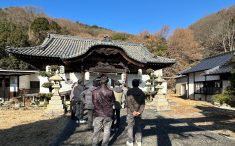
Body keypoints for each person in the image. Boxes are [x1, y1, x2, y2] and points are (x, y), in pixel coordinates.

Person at [92, 75, 115, 146]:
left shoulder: (94, 91)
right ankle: (105, 144)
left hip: (98, 113)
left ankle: (94, 144)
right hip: (108, 113)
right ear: (107, 82)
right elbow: (113, 101)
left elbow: (94, 102)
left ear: (100, 82)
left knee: (96, 131)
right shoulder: (110, 91)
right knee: (107, 130)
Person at [126, 79, 145, 146]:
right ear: (138, 84)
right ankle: (139, 141)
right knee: (138, 126)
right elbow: (143, 104)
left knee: (130, 126)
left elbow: (129, 102)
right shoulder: (142, 92)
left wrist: (133, 111)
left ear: (132, 84)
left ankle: (130, 141)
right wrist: (139, 112)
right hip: (138, 113)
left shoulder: (129, 91)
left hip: (130, 112)